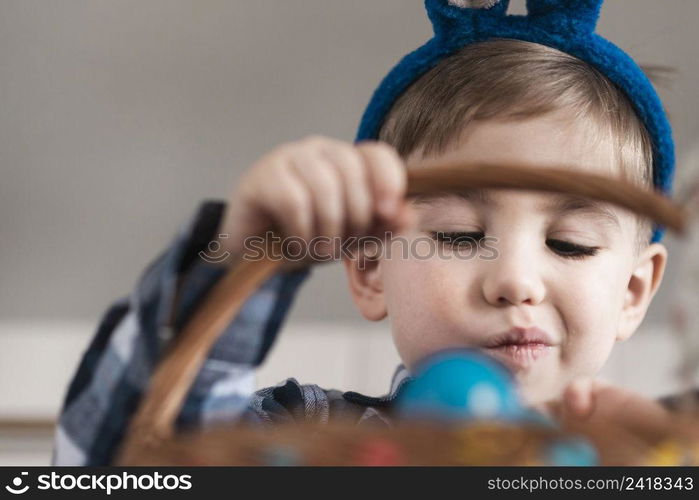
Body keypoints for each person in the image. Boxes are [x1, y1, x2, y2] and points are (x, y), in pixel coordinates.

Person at [53, 0, 688, 465]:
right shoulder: (304, 436)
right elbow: (115, 462)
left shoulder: (644, 456)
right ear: (368, 268)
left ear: (633, 292)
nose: (515, 280)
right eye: (461, 236)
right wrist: (244, 255)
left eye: (570, 243)